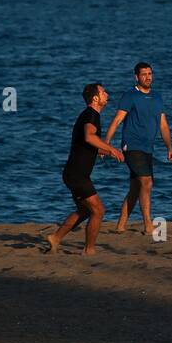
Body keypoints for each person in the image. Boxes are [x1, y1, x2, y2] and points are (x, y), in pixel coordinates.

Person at [46, 83, 123, 255]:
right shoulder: (91, 115)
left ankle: (56, 238)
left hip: (73, 174)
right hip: (77, 175)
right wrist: (110, 149)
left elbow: (87, 142)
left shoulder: (88, 115)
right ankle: (89, 250)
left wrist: (104, 150)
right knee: (98, 210)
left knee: (84, 211)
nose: (107, 94)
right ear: (95, 98)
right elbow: (89, 137)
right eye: (103, 92)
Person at [105, 61, 172, 235]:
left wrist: (169, 147)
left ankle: (120, 225)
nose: (148, 77)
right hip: (131, 145)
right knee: (147, 182)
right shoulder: (130, 96)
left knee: (136, 187)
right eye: (144, 74)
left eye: (150, 74)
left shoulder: (157, 97)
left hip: (148, 148)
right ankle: (148, 224)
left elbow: (163, 125)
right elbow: (117, 120)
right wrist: (106, 143)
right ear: (136, 77)